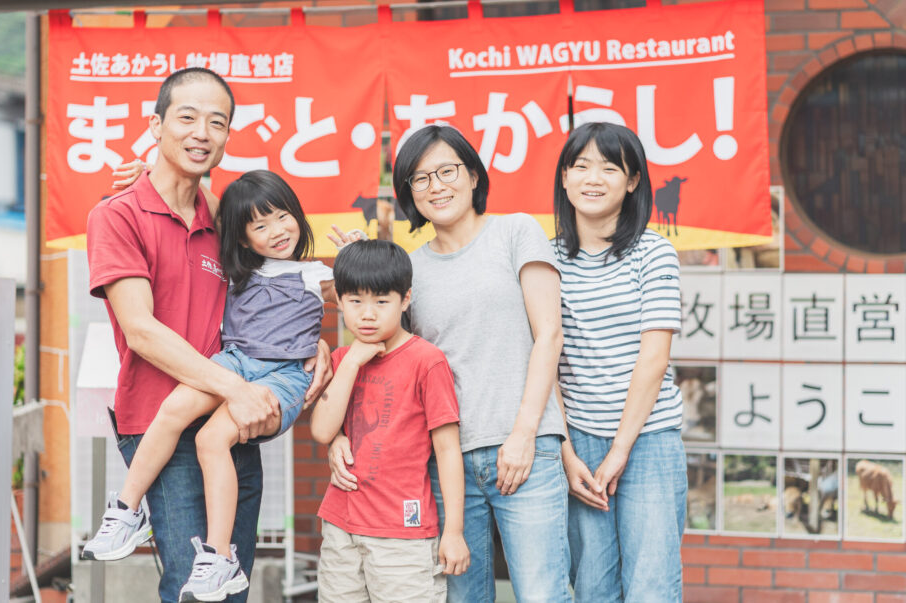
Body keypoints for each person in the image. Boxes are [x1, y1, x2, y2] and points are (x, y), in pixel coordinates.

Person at [85, 67, 331, 603]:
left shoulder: (225, 219)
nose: (202, 133)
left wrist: (313, 343)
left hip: (230, 420)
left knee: (224, 586)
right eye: (187, 117)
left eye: (217, 122)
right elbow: (141, 331)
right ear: (156, 126)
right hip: (165, 422)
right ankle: (126, 512)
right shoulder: (118, 215)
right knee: (190, 591)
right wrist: (238, 388)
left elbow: (275, 290)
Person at [329, 125, 570, 602]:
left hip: (525, 449)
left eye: (447, 172)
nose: (435, 186)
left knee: (542, 594)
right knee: (461, 597)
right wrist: (338, 435)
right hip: (444, 462)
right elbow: (379, 361)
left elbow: (549, 336)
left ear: (474, 176)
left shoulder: (515, 231)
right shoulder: (409, 270)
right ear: (409, 193)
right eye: (420, 178)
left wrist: (524, 435)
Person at [552, 122, 686, 602]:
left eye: (609, 168)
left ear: (632, 182)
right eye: (581, 166)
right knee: (591, 586)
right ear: (564, 177)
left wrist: (620, 449)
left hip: (648, 438)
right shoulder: (545, 260)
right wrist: (566, 453)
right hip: (579, 442)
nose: (593, 178)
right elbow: (544, 363)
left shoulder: (654, 252)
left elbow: (654, 358)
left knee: (652, 586)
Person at [309, 240, 469, 602]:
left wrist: (454, 531)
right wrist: (351, 362)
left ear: (405, 299)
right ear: (339, 301)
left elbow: (447, 450)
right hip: (341, 526)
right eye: (355, 301)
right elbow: (321, 430)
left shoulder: (426, 361)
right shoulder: (343, 359)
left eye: (381, 302)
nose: (367, 314)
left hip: (402, 535)